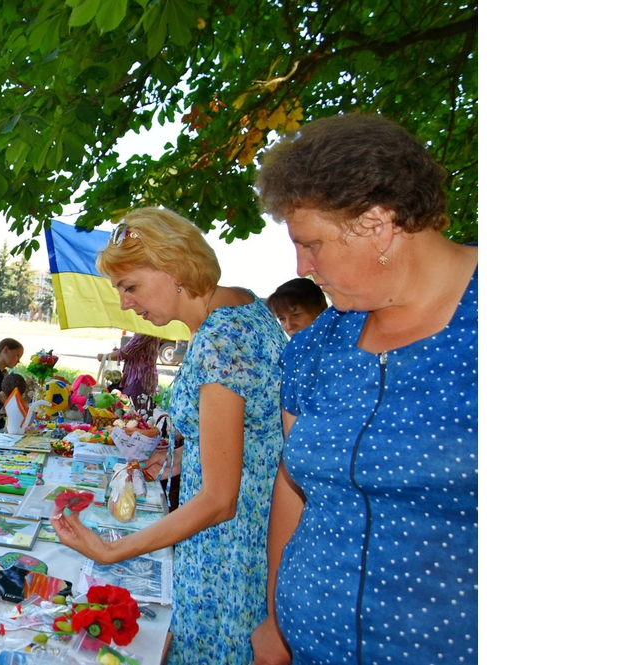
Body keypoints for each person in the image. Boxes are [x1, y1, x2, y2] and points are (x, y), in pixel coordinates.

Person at [250, 113, 478, 664]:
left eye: (311, 245)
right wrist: (276, 622)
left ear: (378, 223)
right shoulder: (314, 347)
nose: (302, 266)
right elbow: (293, 484)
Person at [50, 206, 287, 663]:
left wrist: (112, 549)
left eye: (130, 286)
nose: (125, 303)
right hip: (255, 546)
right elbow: (257, 436)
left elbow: (220, 499)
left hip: (228, 558)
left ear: (174, 267)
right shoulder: (244, 309)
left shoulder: (220, 338)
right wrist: (184, 459)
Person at [96, 332, 160, 400]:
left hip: (139, 378)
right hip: (143, 377)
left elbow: (126, 352)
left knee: (130, 406)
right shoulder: (150, 329)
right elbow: (134, 351)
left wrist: (104, 356)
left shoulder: (144, 331)